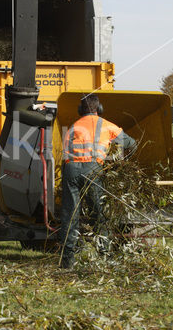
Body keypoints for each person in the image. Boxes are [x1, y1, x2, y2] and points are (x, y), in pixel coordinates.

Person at [58, 94, 136, 269]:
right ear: (98, 109)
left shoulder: (72, 127)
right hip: (92, 170)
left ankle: (67, 260)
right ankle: (104, 256)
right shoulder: (106, 125)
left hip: (70, 170)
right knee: (99, 214)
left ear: (80, 110)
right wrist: (119, 163)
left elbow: (65, 155)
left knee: (70, 215)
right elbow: (132, 144)